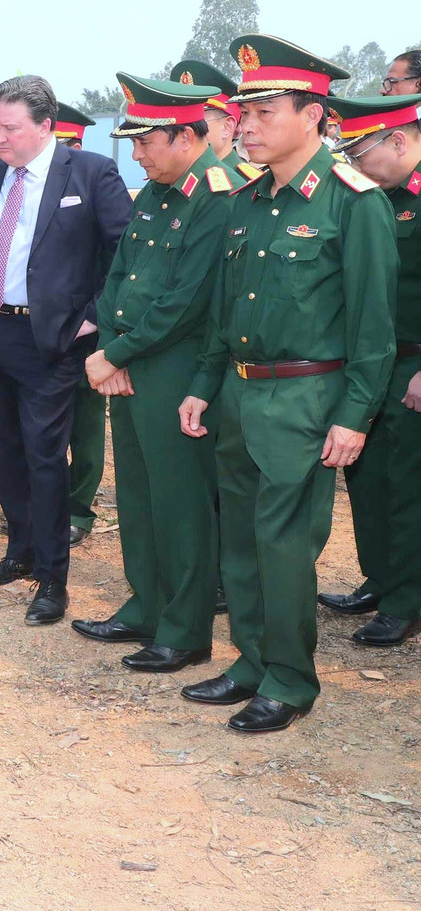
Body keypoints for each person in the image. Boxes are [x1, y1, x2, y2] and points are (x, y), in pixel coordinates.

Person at [178, 35, 396, 733]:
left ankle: (291, 678)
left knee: (283, 545)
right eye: (244, 113)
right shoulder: (248, 199)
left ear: (314, 115)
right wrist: (204, 385)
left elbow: (373, 328)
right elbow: (223, 310)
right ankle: (250, 659)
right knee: (239, 538)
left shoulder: (352, 201)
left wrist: (355, 415)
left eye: (265, 111)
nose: (246, 125)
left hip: (307, 398)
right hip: (242, 393)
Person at [0, 75, 132, 626]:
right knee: (7, 451)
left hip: (54, 342)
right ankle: (18, 551)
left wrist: (95, 316)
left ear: (46, 126)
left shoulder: (89, 173)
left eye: (9, 128)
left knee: (45, 457)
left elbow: (125, 252)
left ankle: (52, 577)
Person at [71, 74, 242, 673]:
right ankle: (146, 604)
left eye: (146, 142)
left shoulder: (219, 198)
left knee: (181, 505)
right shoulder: (154, 195)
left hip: (175, 371)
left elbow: (186, 301)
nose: (136, 154)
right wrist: (113, 348)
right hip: (129, 365)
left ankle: (187, 629)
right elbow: (119, 278)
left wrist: (115, 354)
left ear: (186, 136)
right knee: (138, 498)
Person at [316, 93, 421, 647]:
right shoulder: (372, 198)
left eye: (360, 151)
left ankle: (406, 601)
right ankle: (378, 579)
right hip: (371, 365)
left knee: (407, 488)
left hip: (413, 368)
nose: (352, 164)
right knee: (367, 480)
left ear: (398, 141)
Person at [52, 101, 108, 548]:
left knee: (86, 430)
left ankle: (79, 510)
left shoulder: (95, 180)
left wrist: (93, 316)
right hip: (44, 331)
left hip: (86, 332)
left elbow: (117, 260)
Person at [170, 60, 263, 182]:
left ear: (227, 127)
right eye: (181, 119)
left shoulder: (247, 185)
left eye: (196, 120)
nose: (184, 130)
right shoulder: (167, 179)